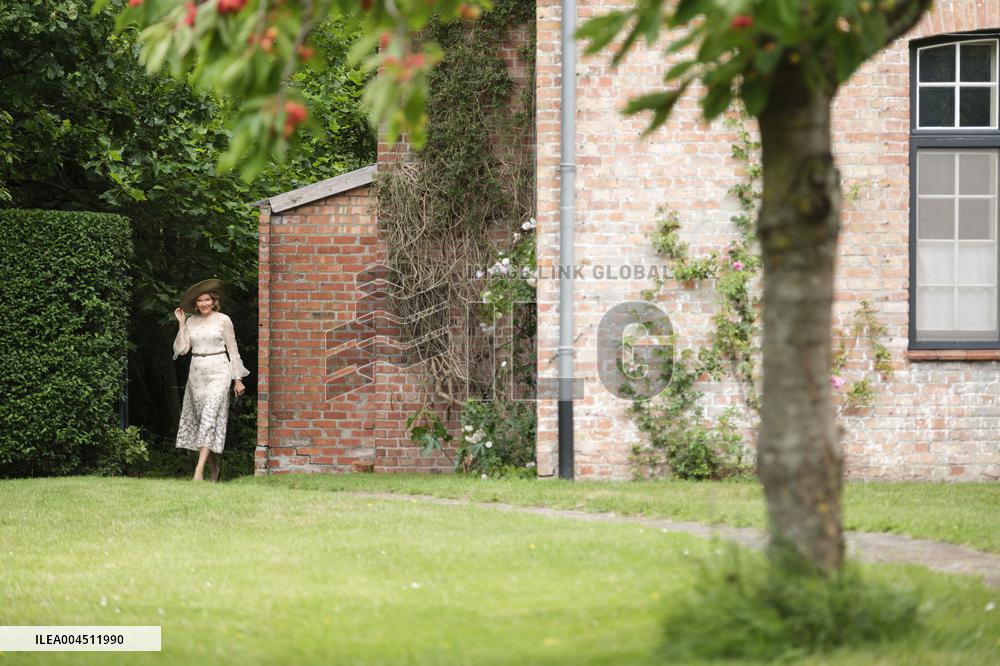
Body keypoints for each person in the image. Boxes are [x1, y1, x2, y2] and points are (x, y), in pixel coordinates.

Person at [171, 279, 250, 481]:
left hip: (219, 371)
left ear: (214, 301)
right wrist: (181, 323)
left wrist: (237, 379)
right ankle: (214, 470)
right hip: (197, 374)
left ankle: (198, 471)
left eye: (207, 299)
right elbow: (182, 349)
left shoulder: (223, 320)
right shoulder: (191, 321)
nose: (204, 303)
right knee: (204, 423)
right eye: (200, 301)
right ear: (195, 304)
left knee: (209, 418)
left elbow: (233, 351)